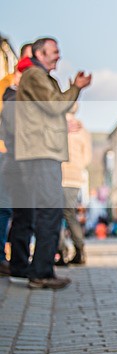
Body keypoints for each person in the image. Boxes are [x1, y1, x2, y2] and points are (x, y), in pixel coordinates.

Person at [13, 37, 91, 289]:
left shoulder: (37, 77)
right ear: (40, 53)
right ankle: (41, 272)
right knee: (49, 211)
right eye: (54, 52)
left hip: (40, 152)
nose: (58, 56)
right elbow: (56, 106)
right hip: (41, 153)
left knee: (40, 212)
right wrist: (76, 88)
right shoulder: (35, 76)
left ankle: (33, 269)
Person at [0, 43, 32, 278]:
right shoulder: (9, 87)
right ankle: (3, 258)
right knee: (6, 208)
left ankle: (16, 260)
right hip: (6, 152)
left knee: (20, 210)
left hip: (20, 154)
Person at [59, 104, 92, 265]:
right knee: (69, 213)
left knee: (55, 214)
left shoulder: (58, 126)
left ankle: (60, 250)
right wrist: (77, 166)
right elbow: (87, 158)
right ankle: (79, 249)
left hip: (59, 173)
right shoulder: (83, 131)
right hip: (75, 177)